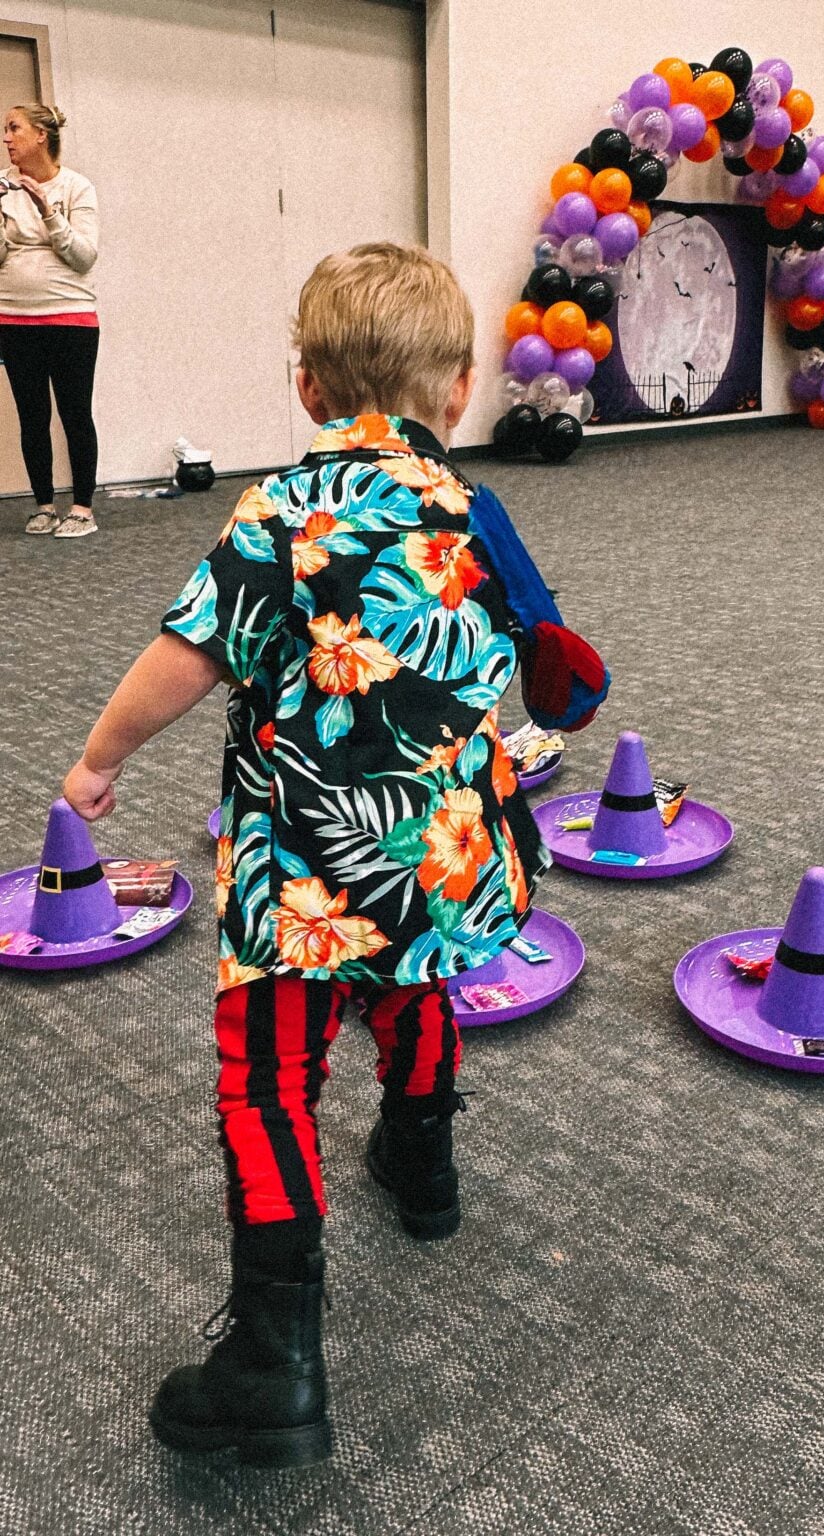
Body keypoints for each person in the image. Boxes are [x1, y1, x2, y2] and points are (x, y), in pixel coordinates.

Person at [62, 242, 607, 1468]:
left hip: (303, 869)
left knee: (267, 1082)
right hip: (446, 859)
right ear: (459, 390)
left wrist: (98, 761)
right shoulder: (478, 512)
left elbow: (186, 661)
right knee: (417, 989)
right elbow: (560, 678)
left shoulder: (276, 516)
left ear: (305, 388)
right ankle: (423, 1168)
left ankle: (274, 1358)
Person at [1, 104, 100, 537]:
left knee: (75, 412)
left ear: (41, 135)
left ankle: (82, 509)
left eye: (14, 128)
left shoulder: (77, 187)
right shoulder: (2, 188)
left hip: (71, 318)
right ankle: (44, 506)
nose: (7, 138)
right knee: (31, 415)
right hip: (14, 319)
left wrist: (46, 208)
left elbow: (84, 257)